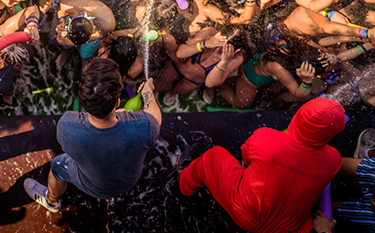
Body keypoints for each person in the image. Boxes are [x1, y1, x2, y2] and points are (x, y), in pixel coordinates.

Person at [179, 98, 345, 233]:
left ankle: (184, 182)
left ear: (299, 116)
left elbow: (246, 159)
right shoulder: (334, 160)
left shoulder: (265, 137)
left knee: (214, 156)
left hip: (246, 213)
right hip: (291, 228)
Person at [23, 58, 161, 210]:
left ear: (83, 101)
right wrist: (147, 92)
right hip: (129, 181)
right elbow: (155, 116)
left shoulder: (67, 125)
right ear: (117, 102)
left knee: (57, 165)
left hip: (92, 184)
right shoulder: (144, 127)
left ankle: (52, 201)